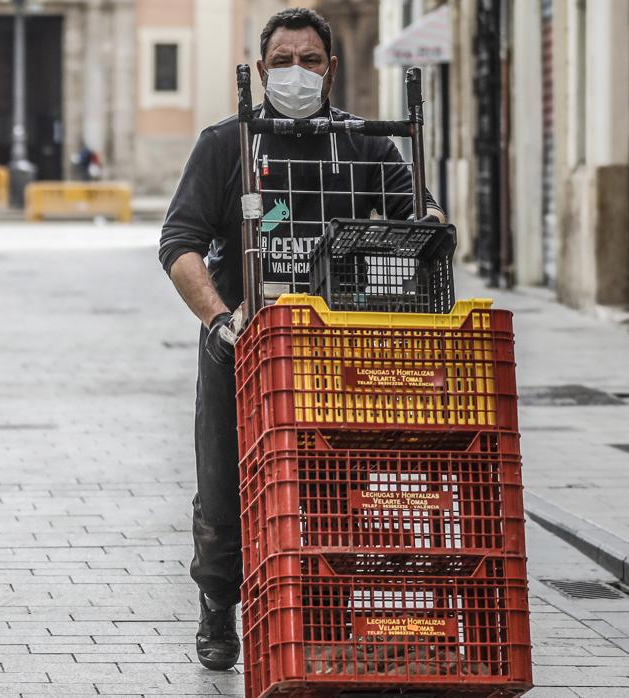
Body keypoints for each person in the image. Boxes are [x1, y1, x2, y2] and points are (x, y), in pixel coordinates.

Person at [157, 8, 445, 671]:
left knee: (333, 481)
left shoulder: (368, 144)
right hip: (243, 349)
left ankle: (329, 606)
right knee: (225, 483)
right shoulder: (226, 144)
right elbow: (180, 245)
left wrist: (431, 224)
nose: (296, 72)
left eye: (309, 61)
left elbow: (417, 218)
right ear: (261, 71)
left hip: (335, 355)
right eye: (282, 61)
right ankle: (217, 605)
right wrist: (220, 318)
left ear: (331, 70)